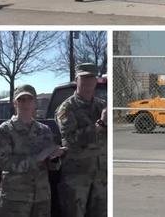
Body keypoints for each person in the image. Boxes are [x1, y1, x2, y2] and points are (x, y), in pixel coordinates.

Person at [0, 85, 66, 217]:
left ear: (35, 103)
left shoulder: (44, 130)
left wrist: (55, 157)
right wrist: (36, 159)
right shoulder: (5, 130)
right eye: (21, 100)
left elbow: (51, 166)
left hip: (41, 198)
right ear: (15, 103)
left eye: (29, 99)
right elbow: (3, 162)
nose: (25, 103)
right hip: (14, 199)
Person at [55, 63, 107, 217]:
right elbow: (70, 140)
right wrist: (100, 125)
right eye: (83, 78)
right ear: (76, 80)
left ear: (96, 80)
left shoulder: (102, 105)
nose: (88, 81)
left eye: (91, 77)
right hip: (77, 178)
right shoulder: (66, 109)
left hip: (101, 177)